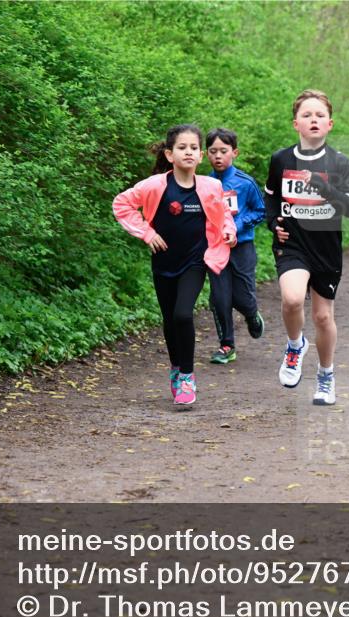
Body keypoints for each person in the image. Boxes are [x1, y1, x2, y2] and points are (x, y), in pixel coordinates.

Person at [113, 124, 237, 406]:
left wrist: (229, 231)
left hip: (195, 261)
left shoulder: (211, 187)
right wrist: (147, 233)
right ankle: (176, 367)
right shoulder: (154, 186)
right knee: (169, 320)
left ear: (201, 155)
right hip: (164, 261)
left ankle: (187, 376)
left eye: (194, 148)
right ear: (170, 154)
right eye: (182, 148)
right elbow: (121, 204)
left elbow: (224, 215)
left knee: (183, 314)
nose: (188, 152)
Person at [263, 90, 349, 405]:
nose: (313, 120)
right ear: (296, 124)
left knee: (321, 317)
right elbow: (270, 197)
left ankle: (326, 375)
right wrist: (273, 222)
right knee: (292, 300)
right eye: (307, 115)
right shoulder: (281, 159)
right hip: (292, 244)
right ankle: (295, 346)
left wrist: (324, 187)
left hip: (325, 248)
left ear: (330, 124)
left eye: (320, 115)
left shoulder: (340, 163)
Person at [204, 127, 267, 363]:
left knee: (242, 298)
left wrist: (236, 227)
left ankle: (251, 314)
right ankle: (227, 346)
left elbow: (260, 211)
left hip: (242, 247)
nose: (218, 156)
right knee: (219, 298)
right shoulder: (204, 183)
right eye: (213, 151)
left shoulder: (245, 183)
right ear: (206, 154)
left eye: (223, 151)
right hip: (215, 248)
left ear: (234, 153)